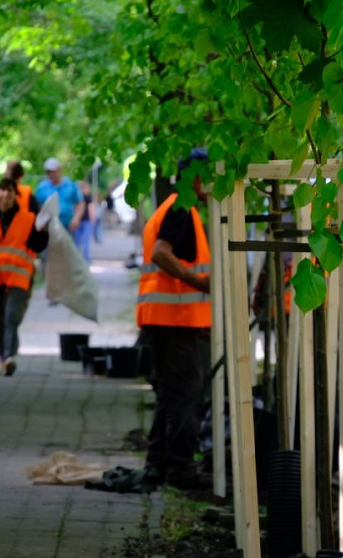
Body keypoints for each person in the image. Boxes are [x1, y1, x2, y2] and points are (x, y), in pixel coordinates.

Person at [136, 148, 211, 489]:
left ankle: (161, 463)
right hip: (173, 322)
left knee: (171, 396)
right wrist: (200, 283)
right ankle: (180, 469)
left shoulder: (176, 207)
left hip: (168, 321)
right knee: (183, 396)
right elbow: (161, 253)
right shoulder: (181, 208)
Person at [0, 178, 49, 376]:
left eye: (9, 194)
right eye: (2, 195)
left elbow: (37, 245)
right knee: (0, 318)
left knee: (11, 315)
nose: (5, 199)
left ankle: (8, 356)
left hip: (19, 275)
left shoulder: (28, 219)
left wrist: (45, 232)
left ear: (15, 196)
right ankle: (5, 356)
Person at [35, 157, 85, 240]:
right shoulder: (42, 187)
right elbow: (36, 206)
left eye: (53, 171)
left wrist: (76, 218)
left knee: (68, 251)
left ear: (59, 170)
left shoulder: (71, 184)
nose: (51, 174)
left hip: (67, 227)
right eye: (48, 172)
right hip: (48, 228)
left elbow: (80, 203)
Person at [74, 180, 96, 262]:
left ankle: (76, 258)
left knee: (77, 241)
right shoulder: (88, 198)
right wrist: (92, 220)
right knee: (86, 240)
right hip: (86, 221)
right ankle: (86, 258)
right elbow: (91, 209)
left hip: (78, 221)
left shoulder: (77, 198)